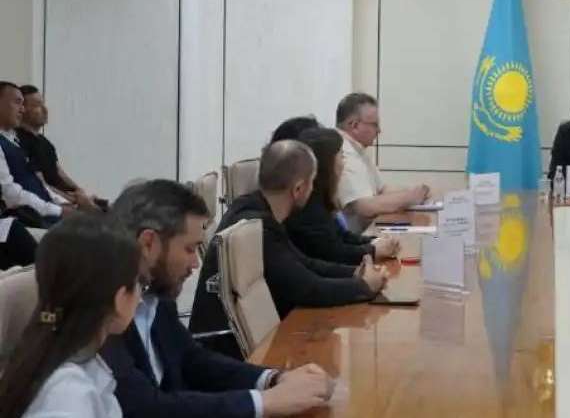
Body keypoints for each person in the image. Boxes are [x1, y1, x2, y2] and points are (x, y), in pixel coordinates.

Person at [102, 179, 333, 418]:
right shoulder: (101, 309)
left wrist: (273, 379)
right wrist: (263, 403)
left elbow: (192, 359)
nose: (196, 263)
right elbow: (146, 408)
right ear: (148, 243)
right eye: (189, 249)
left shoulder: (154, 293)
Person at [190, 140, 387, 357]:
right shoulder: (257, 227)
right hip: (228, 359)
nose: (313, 190)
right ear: (299, 189)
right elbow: (308, 288)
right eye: (311, 183)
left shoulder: (258, 210)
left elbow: (303, 264)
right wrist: (363, 287)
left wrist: (354, 274)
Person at [0, 213, 139, 418]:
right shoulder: (68, 394)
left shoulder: (41, 358)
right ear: (120, 299)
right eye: (139, 284)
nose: (140, 298)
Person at [286, 127, 399, 265]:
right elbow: (335, 253)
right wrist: (373, 250)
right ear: (327, 165)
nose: (343, 163)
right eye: (341, 157)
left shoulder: (320, 198)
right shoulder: (308, 207)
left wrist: (376, 241)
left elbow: (342, 236)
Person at [334, 93, 429, 234]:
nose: (379, 130)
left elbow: (382, 189)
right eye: (374, 125)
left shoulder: (357, 148)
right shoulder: (341, 150)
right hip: (352, 242)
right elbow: (364, 206)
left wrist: (415, 191)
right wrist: (409, 197)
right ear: (354, 125)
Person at [16, 85, 101, 209]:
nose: (45, 109)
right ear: (22, 109)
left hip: (61, 200)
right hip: (43, 205)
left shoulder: (44, 142)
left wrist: (80, 191)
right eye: (37, 106)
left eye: (43, 104)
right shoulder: (18, 140)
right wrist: (72, 200)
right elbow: (39, 183)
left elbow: (59, 172)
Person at [0, 82, 65, 225]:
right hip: (27, 220)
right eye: (17, 102)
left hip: (46, 214)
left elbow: (40, 185)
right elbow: (11, 195)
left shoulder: (14, 142)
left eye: (23, 104)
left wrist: (65, 203)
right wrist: (59, 210)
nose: (22, 110)